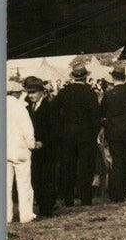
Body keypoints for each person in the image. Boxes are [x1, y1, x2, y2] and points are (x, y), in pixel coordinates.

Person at [53, 63, 101, 207]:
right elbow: (95, 116)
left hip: (68, 134)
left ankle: (68, 198)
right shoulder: (90, 93)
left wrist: (61, 129)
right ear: (86, 78)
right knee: (86, 166)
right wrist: (94, 133)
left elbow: (53, 110)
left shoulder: (64, 92)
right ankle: (85, 198)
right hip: (86, 135)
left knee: (68, 166)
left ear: (73, 77)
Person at [101, 65, 126, 202]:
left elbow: (102, 113)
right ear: (124, 78)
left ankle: (118, 194)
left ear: (113, 78)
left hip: (114, 132)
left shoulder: (109, 94)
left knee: (117, 163)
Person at [24, 77, 61, 217]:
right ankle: (41, 203)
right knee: (36, 177)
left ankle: (47, 208)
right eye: (29, 92)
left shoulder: (49, 107)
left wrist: (43, 142)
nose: (31, 95)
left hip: (48, 149)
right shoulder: (28, 107)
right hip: (33, 149)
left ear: (41, 92)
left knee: (47, 177)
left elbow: (55, 129)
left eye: (33, 92)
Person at [8, 80, 38, 223]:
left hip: (3, 151)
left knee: (5, 186)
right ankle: (26, 215)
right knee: (24, 183)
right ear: (16, 93)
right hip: (20, 150)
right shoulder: (21, 108)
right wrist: (31, 145)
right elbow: (28, 131)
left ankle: (6, 215)